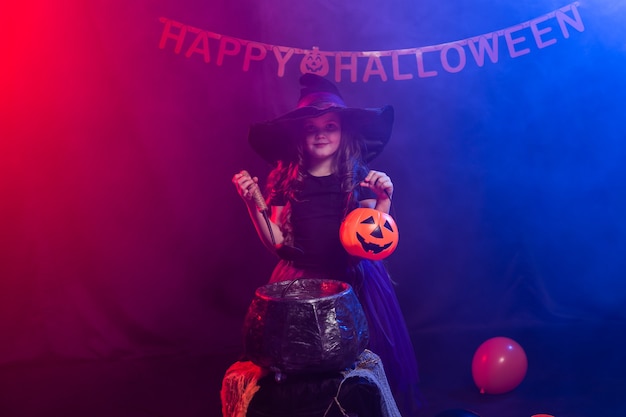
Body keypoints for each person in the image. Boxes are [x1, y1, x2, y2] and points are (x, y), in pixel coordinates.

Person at [232, 73, 421, 415]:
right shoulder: (285, 181)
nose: (321, 133)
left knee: (353, 360)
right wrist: (252, 204)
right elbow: (276, 241)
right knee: (302, 364)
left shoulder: (358, 178)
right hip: (300, 282)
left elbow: (372, 239)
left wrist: (383, 201)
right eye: (311, 127)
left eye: (330, 125)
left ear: (342, 132)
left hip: (352, 282)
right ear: (299, 136)